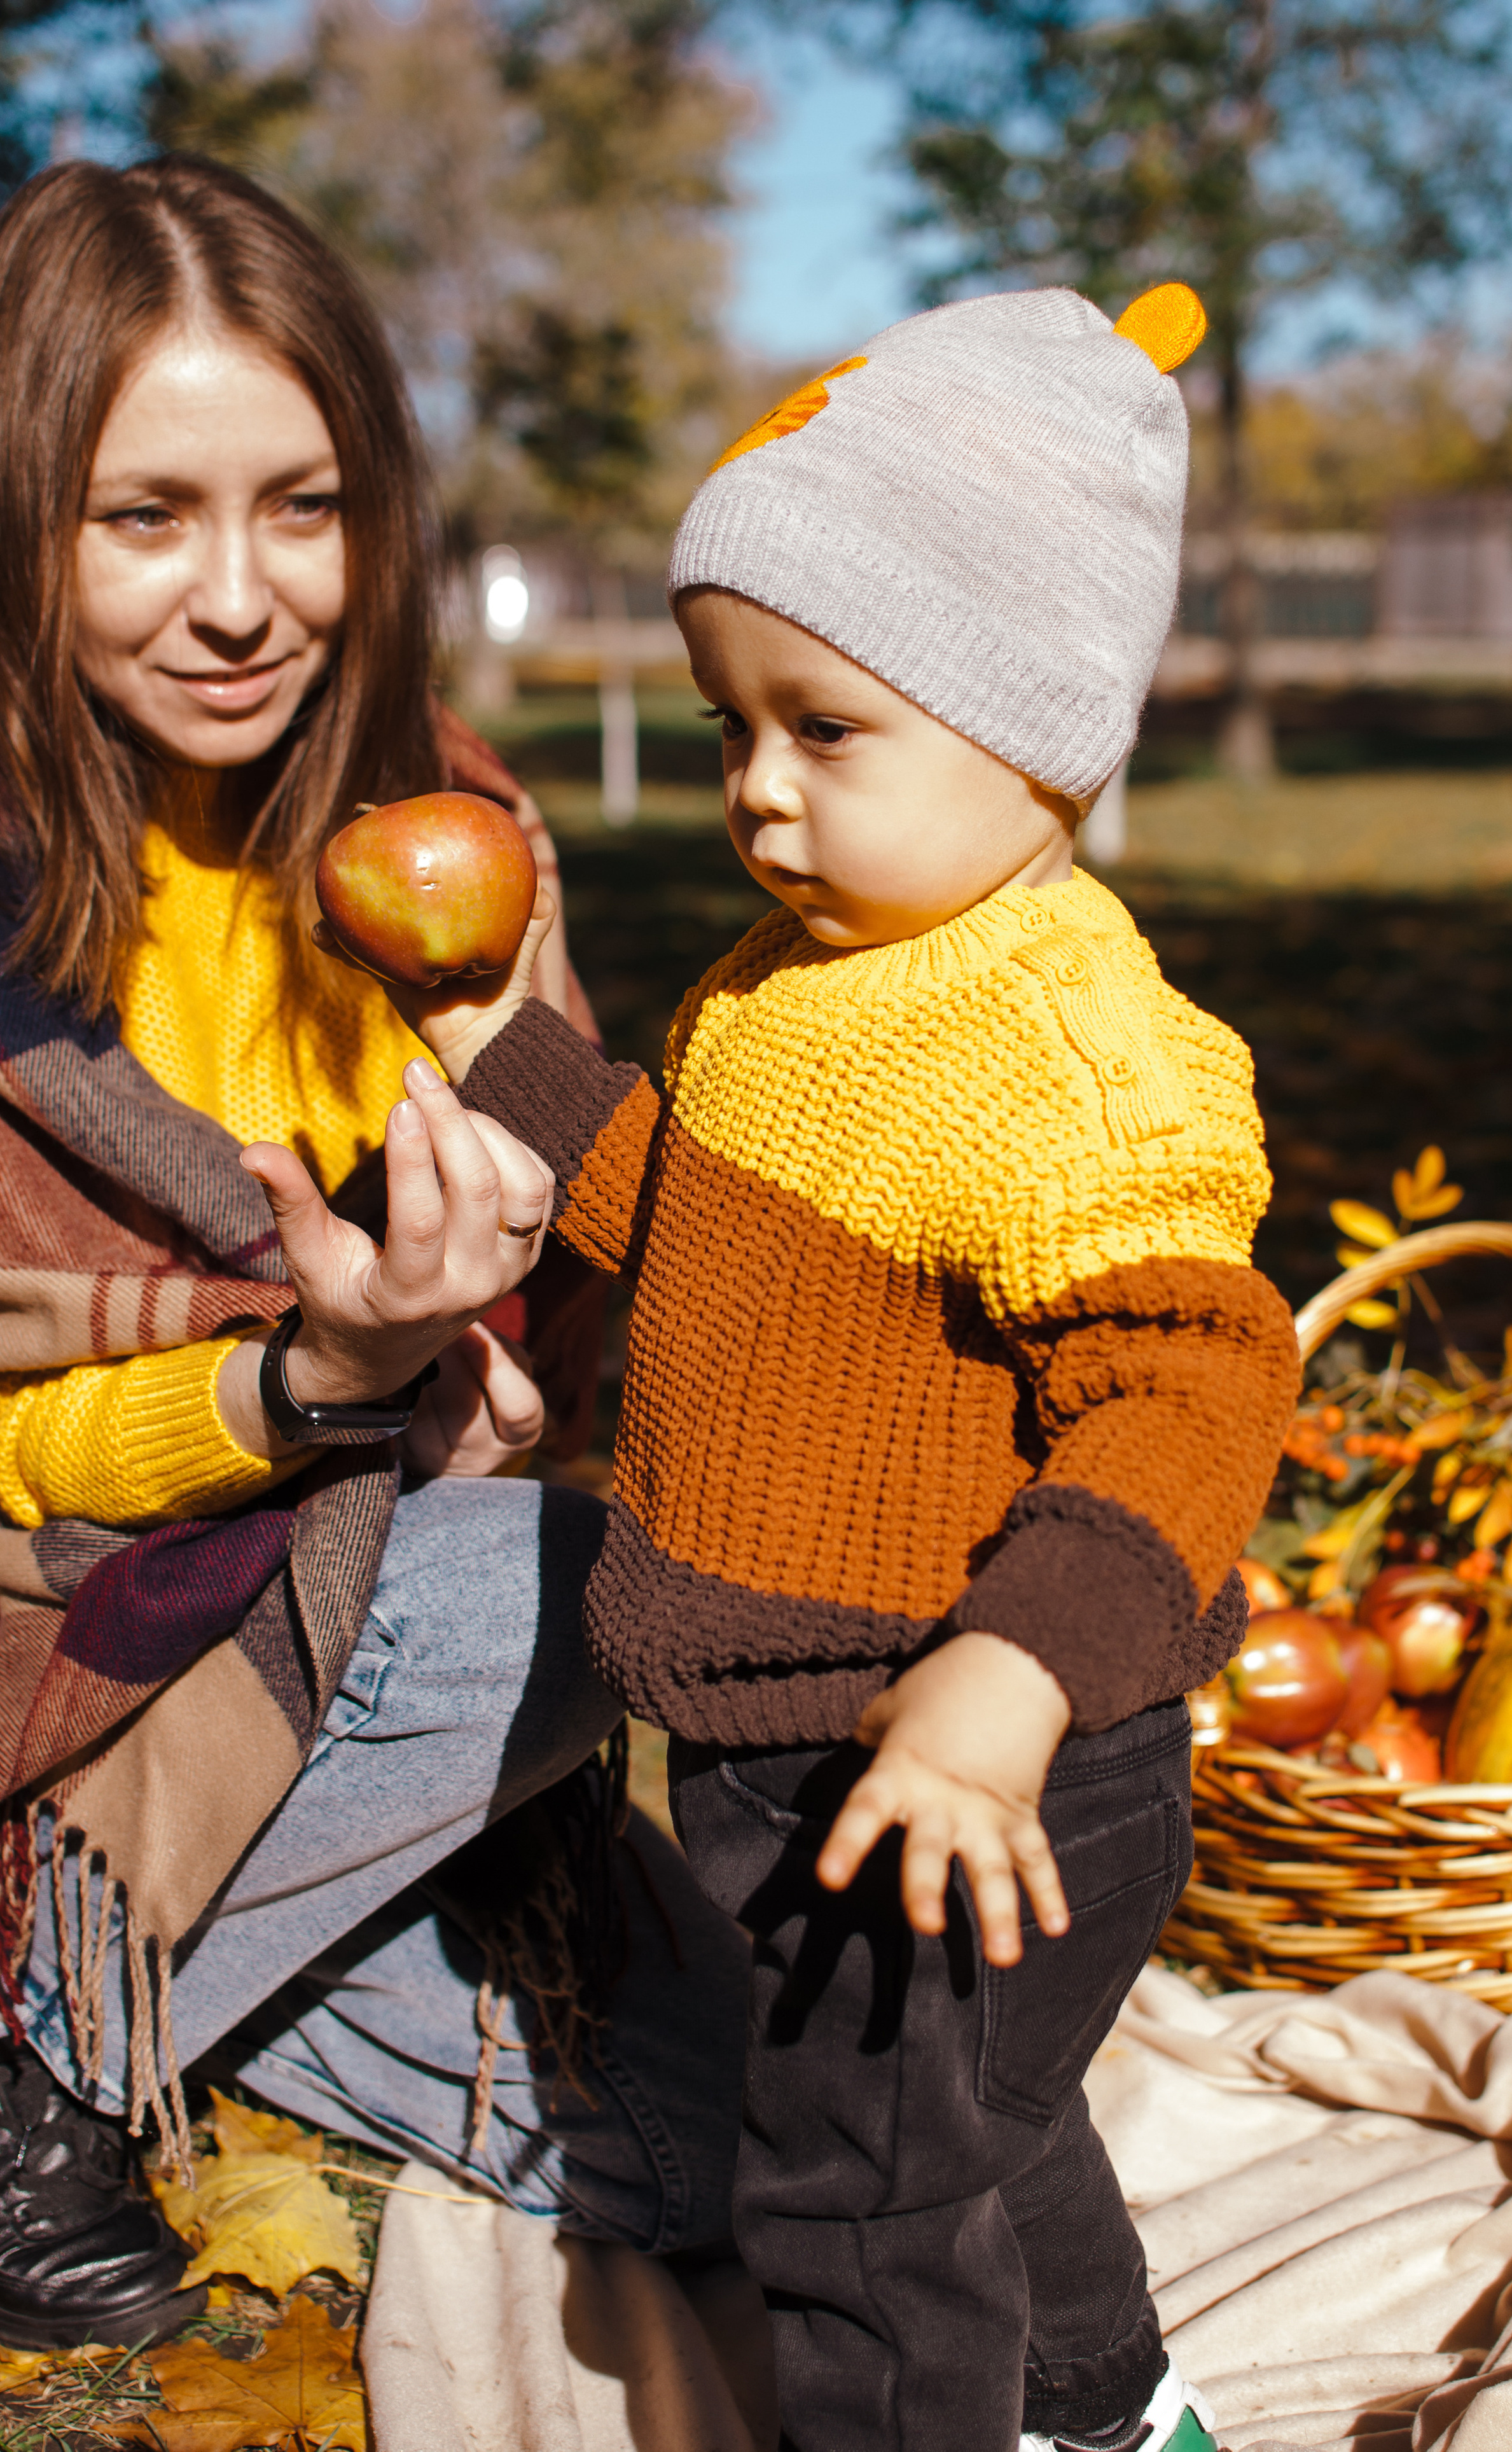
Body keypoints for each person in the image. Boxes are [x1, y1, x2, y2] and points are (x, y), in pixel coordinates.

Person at [370, 284, 1306, 2452]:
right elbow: (691, 1226)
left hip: (985, 1740)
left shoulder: (1070, 1052)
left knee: (853, 2206)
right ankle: (1102, 2413)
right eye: (730, 728)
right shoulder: (799, 980)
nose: (759, 797)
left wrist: (1013, 1676)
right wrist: (506, 1063)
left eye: (827, 728)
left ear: (1040, 730)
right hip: (796, 1735)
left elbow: (1194, 1382)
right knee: (966, 2123)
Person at [0, 154, 747, 2355]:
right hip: (86, 1643)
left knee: (727, 2155)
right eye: (145, 517)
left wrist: (496, 1383)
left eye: (300, 508)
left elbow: (608, 1284)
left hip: (360, 1654)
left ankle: (170, 1975)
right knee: (583, 1574)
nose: (241, 600)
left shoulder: (448, 828)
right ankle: (56, 2028)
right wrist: (323, 1393)